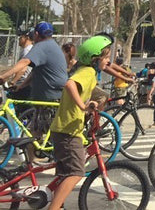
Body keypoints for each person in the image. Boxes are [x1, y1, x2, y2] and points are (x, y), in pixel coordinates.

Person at [48, 35, 113, 210]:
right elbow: (69, 84)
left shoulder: (87, 71)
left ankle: (58, 205)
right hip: (68, 130)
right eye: (106, 57)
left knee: (64, 174)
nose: (108, 61)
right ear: (95, 58)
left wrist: (89, 109)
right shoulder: (88, 72)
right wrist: (83, 106)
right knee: (76, 172)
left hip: (64, 128)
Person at [0, 22, 68, 102]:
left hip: (49, 95)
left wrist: (3, 76)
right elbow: (35, 72)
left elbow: (25, 62)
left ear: (36, 34)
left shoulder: (42, 45)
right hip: (56, 93)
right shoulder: (53, 45)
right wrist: (21, 86)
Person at [8, 28, 35, 100]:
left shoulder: (27, 50)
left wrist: (13, 81)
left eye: (21, 37)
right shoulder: (30, 49)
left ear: (27, 38)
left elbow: (23, 69)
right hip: (26, 83)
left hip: (22, 83)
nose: (19, 39)